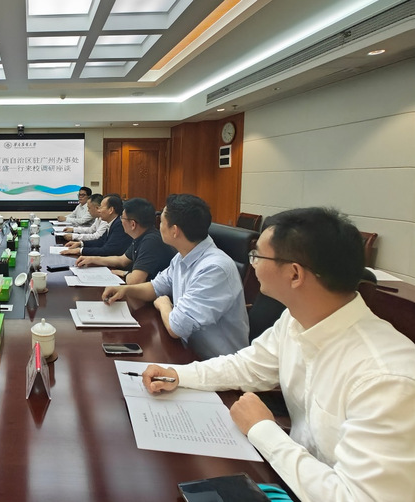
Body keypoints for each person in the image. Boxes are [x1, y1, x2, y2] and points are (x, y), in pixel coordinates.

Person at [141, 207, 415, 502]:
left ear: (294, 274)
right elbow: (247, 366)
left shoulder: (386, 378)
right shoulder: (296, 320)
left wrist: (262, 429)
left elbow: (359, 497)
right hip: (292, 480)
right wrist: (178, 374)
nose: (253, 265)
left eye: (258, 256)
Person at [102, 194, 248, 359]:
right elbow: (155, 287)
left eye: (162, 222)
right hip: (186, 350)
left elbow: (176, 327)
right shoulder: (183, 256)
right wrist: (125, 290)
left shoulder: (214, 268)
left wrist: (164, 304)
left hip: (214, 362)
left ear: (175, 230)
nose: (158, 226)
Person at [75, 198, 174, 284]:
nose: (120, 220)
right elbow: (122, 260)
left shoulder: (150, 241)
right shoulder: (140, 236)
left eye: (122, 217)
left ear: (133, 224)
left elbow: (135, 281)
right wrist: (92, 259)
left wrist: (124, 273)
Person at [60, 194, 131, 257]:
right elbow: (100, 241)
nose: (99, 211)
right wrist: (81, 244)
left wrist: (80, 250)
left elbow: (107, 250)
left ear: (111, 210)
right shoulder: (113, 222)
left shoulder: (119, 225)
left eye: (101, 207)